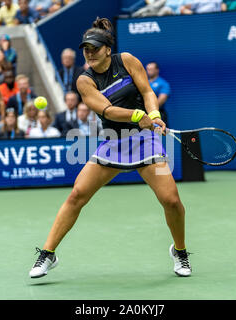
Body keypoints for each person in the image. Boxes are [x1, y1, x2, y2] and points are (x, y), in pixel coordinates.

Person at [28, 17, 192, 279]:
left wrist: (153, 112)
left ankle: (180, 251)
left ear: (107, 49)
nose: (89, 53)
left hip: (145, 141)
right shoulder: (85, 80)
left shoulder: (126, 60)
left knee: (171, 200)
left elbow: (148, 91)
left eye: (94, 48)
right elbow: (107, 110)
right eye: (86, 49)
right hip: (112, 145)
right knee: (77, 195)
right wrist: (137, 115)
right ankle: (48, 253)